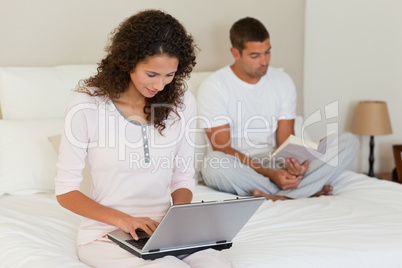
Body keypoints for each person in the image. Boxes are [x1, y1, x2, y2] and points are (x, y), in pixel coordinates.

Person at [55, 10, 233, 268]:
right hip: (106, 235)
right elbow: (66, 192)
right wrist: (124, 220)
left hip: (166, 232)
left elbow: (182, 177)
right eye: (151, 74)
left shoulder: (181, 103)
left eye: (169, 75)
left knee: (217, 263)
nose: (160, 85)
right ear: (128, 62)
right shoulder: (86, 106)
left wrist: (177, 220)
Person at [197, 17, 359, 201]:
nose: (264, 61)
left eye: (267, 52)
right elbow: (223, 148)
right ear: (235, 53)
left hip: (275, 162)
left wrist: (295, 165)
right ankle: (301, 191)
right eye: (255, 56)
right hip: (242, 165)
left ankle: (275, 193)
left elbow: (285, 141)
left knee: (349, 142)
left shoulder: (282, 81)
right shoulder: (214, 86)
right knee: (213, 165)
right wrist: (269, 174)